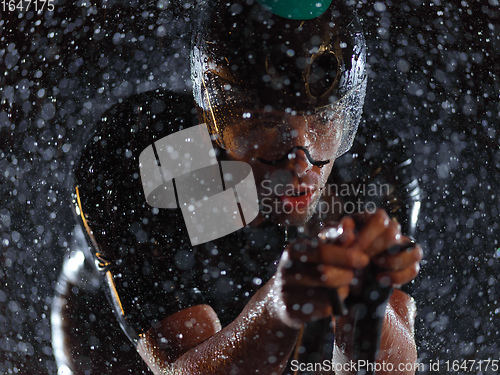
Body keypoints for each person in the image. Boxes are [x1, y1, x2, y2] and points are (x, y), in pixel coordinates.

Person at [52, 1, 423, 374]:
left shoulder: (370, 171)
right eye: (266, 124)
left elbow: (390, 366)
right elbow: (179, 369)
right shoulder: (154, 156)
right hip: (117, 346)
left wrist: (369, 304)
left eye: (323, 118)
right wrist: (277, 307)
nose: (301, 161)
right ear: (215, 119)